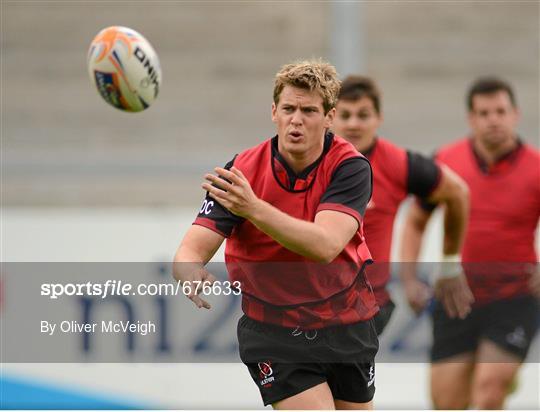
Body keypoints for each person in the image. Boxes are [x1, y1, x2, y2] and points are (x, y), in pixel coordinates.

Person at [173, 60, 379, 410]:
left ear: (330, 116)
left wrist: (253, 207)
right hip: (275, 330)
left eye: (309, 110)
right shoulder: (243, 172)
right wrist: (189, 270)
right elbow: (189, 250)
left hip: (347, 322)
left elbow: (325, 245)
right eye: (289, 108)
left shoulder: (350, 167)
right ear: (274, 112)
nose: (296, 119)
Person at [400, 76, 540, 409]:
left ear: (515, 114)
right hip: (456, 295)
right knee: (448, 401)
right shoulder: (446, 162)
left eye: (500, 111)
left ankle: (502, 378)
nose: (494, 119)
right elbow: (416, 221)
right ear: (471, 119)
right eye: (484, 112)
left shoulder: (536, 168)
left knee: (488, 390)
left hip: (514, 296)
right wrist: (408, 279)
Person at [331, 75, 471, 335]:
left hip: (368, 307)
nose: (353, 124)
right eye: (345, 115)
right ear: (330, 117)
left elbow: (458, 192)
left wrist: (450, 264)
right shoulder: (308, 160)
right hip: (312, 305)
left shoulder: (396, 163)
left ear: (378, 118)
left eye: (363, 115)